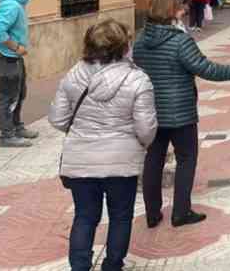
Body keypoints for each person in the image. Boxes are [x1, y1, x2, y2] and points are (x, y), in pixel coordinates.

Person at [133, 0, 230, 228]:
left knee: (153, 159)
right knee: (186, 159)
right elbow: (207, 69)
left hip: (152, 111)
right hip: (180, 113)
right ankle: (181, 212)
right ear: (171, 12)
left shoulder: (140, 41)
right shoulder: (180, 41)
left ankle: (152, 213)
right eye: (180, 8)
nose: (183, 12)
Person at [48, 19, 158, 271]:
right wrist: (139, 144)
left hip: (81, 160)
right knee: (121, 216)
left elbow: (58, 119)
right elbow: (146, 128)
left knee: (85, 216)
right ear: (124, 45)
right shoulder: (138, 80)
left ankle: (79, 267)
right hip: (122, 162)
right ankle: (113, 265)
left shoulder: (73, 75)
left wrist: (83, 132)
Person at [0, 0, 39, 148]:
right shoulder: (11, 5)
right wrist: (16, 47)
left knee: (19, 94)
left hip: (13, 58)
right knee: (8, 97)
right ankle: (7, 136)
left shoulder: (18, 3)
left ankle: (16, 127)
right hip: (6, 59)